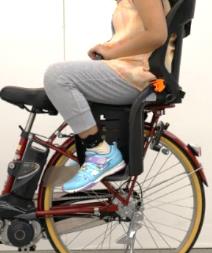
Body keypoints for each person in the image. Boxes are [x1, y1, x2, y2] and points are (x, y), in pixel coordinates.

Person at [44, 0, 173, 193]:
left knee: (58, 76)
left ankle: (100, 152)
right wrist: (108, 48)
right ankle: (91, 155)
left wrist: (110, 51)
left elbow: (157, 35)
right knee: (63, 82)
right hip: (128, 70)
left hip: (137, 74)